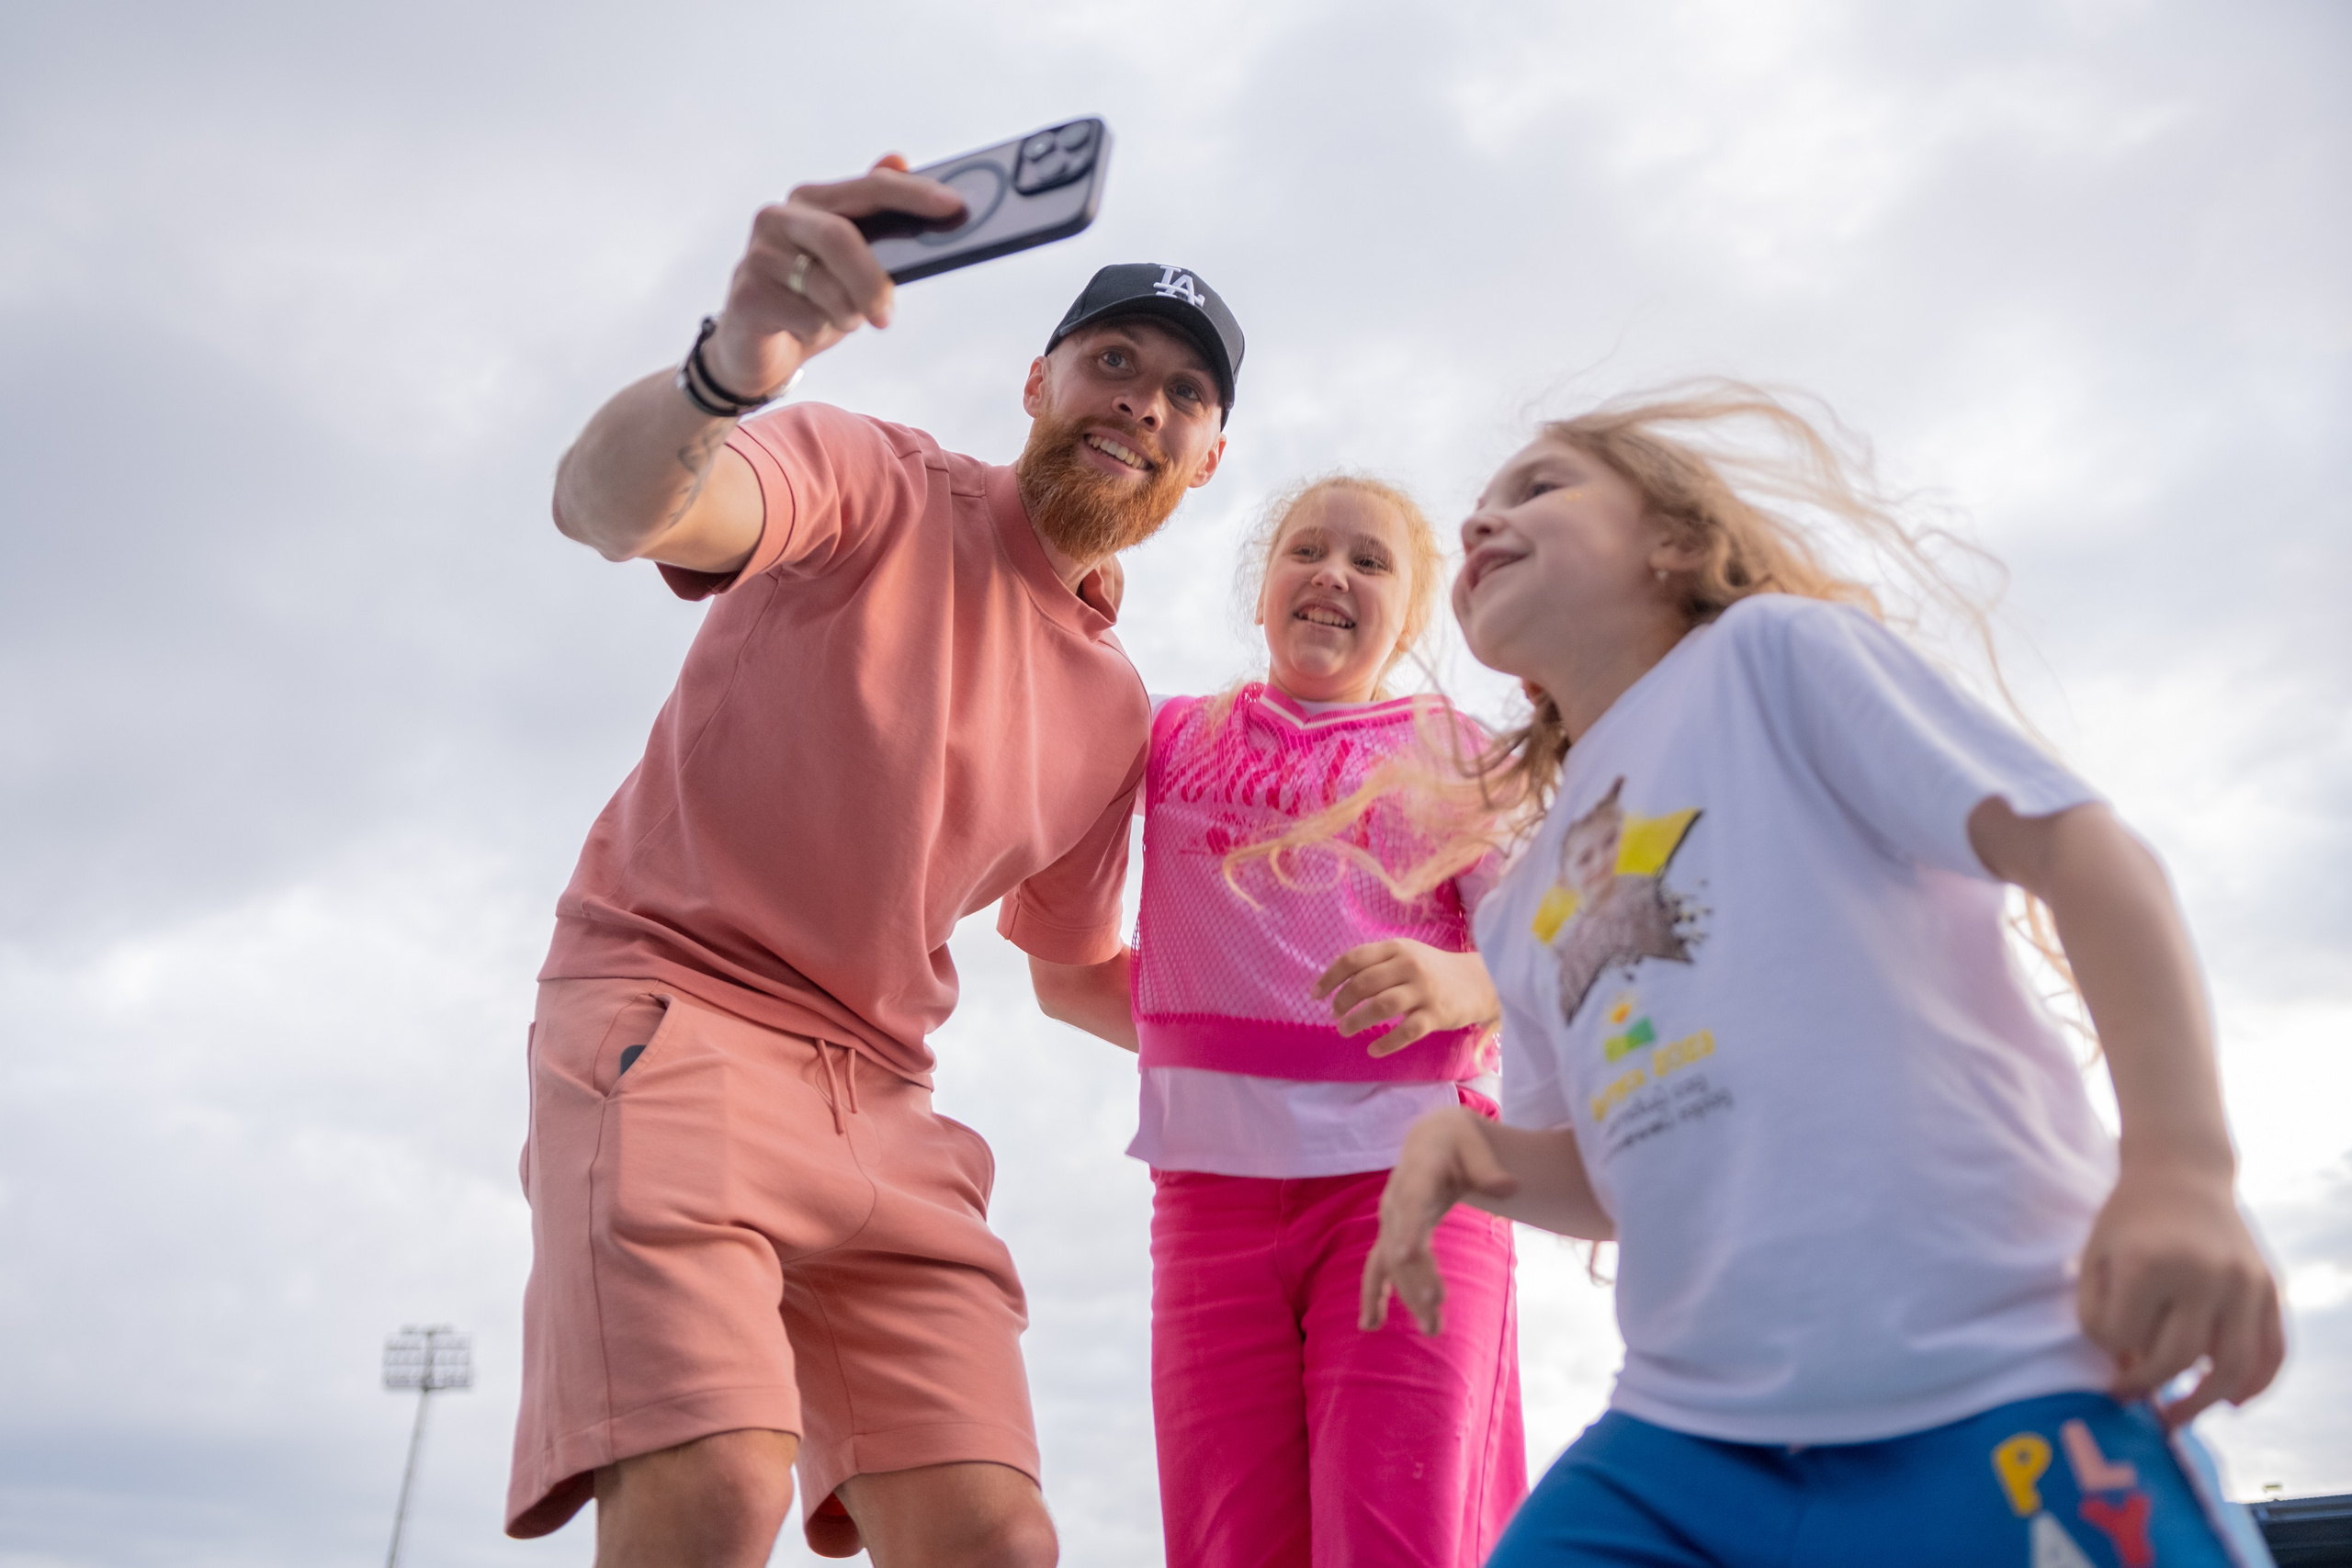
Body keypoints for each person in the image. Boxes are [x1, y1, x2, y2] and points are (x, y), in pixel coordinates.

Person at [1356, 386, 2286, 1566]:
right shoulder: (1522, 894)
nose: (1483, 523)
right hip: (1684, 1448)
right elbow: (1602, 1171)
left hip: (2000, 1378)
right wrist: (1470, 1155)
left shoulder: (1771, 657)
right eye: (1477, 509)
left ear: (1675, 542)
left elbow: (2080, 851)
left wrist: (2182, 1171)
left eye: (1537, 488)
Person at [507, 152, 1247, 1568]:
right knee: (716, 1483)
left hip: (889, 1100)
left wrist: (1324, 1054)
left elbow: (1080, 968)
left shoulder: (1116, 711)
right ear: (1039, 384)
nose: (1142, 399)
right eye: (1112, 359)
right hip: (678, 1015)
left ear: (1206, 456)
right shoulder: (871, 477)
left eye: (1185, 392)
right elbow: (618, 507)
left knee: (996, 1538)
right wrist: (732, 367)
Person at [1035, 475, 1526, 1567]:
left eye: (1372, 561)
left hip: (1413, 1187)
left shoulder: (1461, 755)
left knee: (1398, 1541)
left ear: (1406, 617)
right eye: (1306, 550)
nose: (1333, 574)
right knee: (1229, 1546)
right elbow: (1066, 981)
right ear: (1260, 592)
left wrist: (1467, 990)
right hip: (1207, 1200)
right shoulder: (1162, 739)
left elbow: (1556, 956)